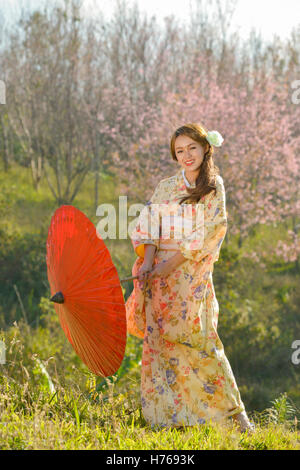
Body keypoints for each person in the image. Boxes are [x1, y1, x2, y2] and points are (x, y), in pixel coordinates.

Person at [125, 123, 254, 433]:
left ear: (205, 148)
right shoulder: (165, 187)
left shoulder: (213, 186)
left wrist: (173, 263)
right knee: (161, 344)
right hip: (159, 278)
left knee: (203, 341)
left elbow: (213, 229)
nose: (186, 155)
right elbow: (150, 226)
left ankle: (237, 417)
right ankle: (168, 420)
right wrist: (148, 262)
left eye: (192, 148)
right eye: (179, 151)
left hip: (191, 274)